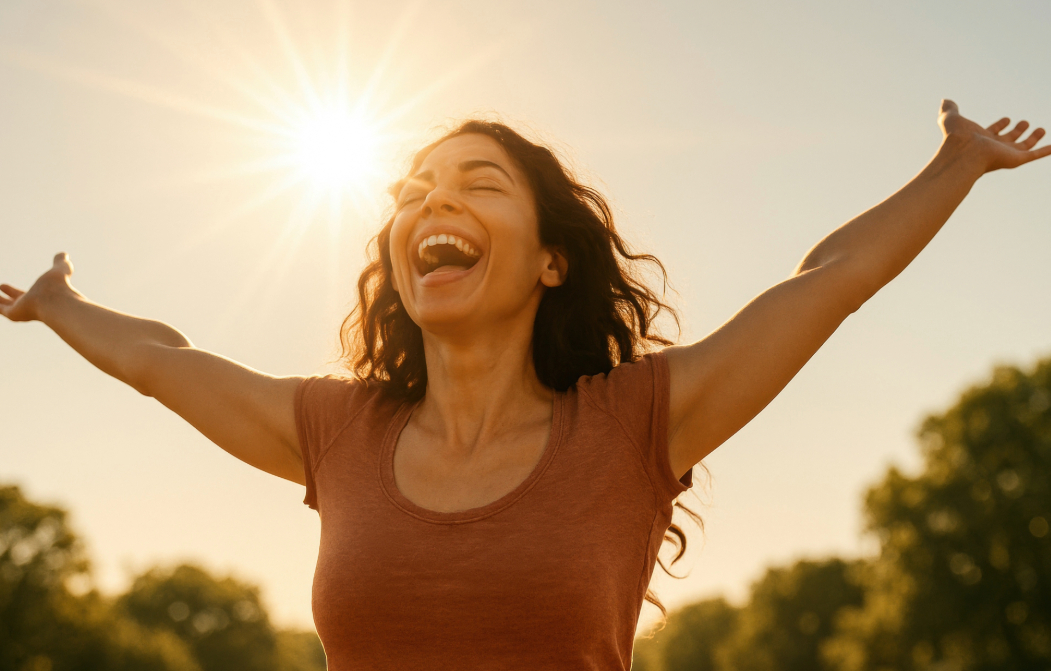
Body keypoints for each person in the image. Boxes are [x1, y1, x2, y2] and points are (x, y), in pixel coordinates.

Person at [2, 100, 1048, 670]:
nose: (429, 202)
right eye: (413, 192)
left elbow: (827, 282)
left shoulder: (638, 419)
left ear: (551, 258)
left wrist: (953, 165)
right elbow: (161, 360)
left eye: (475, 183)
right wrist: (57, 303)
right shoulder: (336, 428)